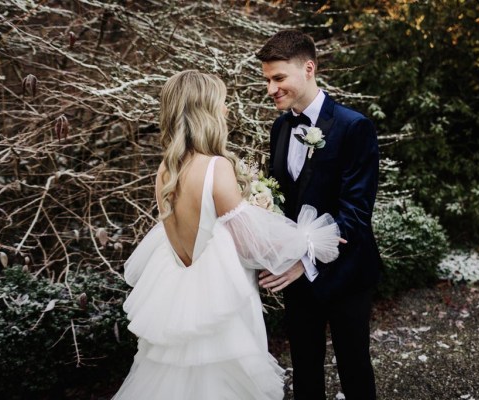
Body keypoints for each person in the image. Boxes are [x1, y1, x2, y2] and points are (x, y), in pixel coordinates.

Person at [113, 70, 343, 400]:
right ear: (204, 110)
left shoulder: (165, 170)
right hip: (217, 300)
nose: (226, 111)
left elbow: (192, 237)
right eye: (221, 103)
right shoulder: (215, 167)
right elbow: (251, 244)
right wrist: (308, 241)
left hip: (179, 294)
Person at [256, 30, 382, 399]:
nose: (270, 89)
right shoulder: (280, 128)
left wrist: (304, 260)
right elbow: (281, 203)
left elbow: (356, 214)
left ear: (308, 69)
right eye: (266, 80)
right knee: (305, 371)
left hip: (347, 273)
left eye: (278, 78)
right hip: (295, 279)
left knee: (354, 368)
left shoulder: (353, 126)